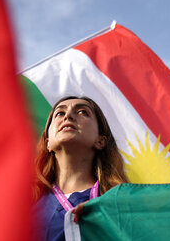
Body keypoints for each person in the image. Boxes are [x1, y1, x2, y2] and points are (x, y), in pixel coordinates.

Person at [33, 96, 128, 241]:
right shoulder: (25, 203)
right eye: (60, 113)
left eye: (83, 112)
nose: (68, 116)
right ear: (48, 143)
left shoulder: (121, 203)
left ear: (100, 141)